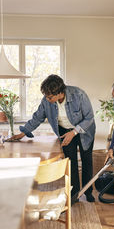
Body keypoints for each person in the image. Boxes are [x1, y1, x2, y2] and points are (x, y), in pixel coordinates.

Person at [9, 74, 96, 202]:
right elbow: (37, 117)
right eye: (46, 96)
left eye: (50, 97)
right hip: (64, 131)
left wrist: (74, 132)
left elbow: (89, 118)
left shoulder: (79, 95)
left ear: (60, 93)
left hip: (84, 131)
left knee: (86, 160)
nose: (47, 99)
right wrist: (23, 133)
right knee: (70, 162)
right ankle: (74, 193)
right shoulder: (46, 101)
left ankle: (88, 191)